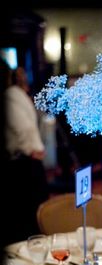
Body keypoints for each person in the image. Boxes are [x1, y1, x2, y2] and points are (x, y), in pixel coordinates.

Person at [3, 66, 49, 244]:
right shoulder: (17, 94)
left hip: (24, 162)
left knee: (26, 213)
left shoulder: (10, 95)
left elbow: (23, 127)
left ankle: (30, 252)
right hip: (28, 161)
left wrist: (31, 149)